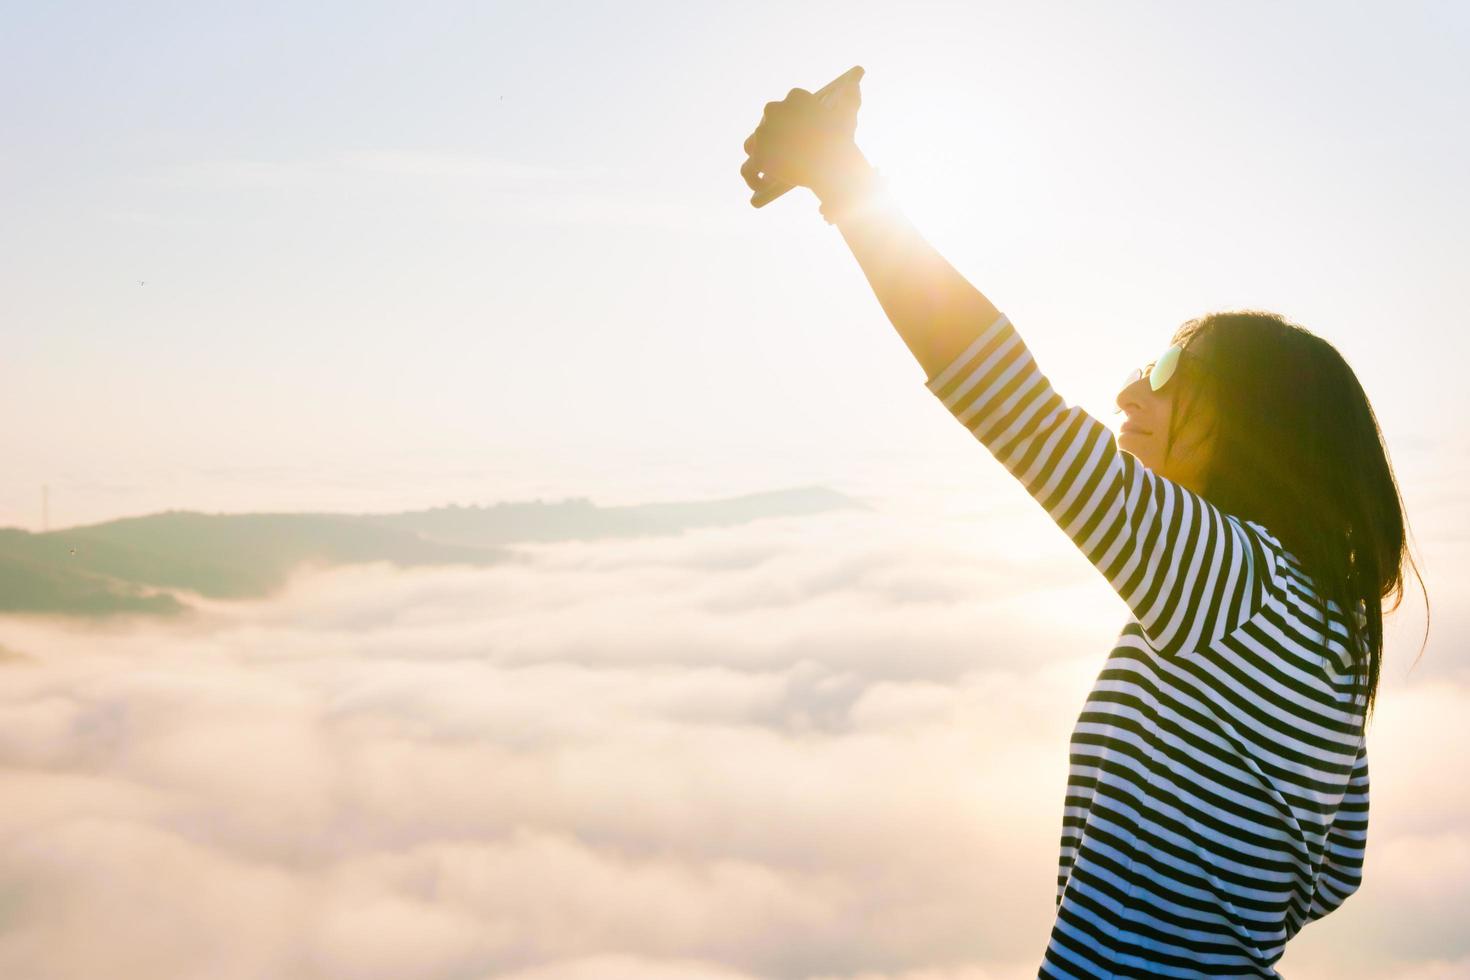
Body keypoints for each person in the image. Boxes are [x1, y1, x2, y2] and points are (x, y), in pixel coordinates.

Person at [740, 77, 1426, 979]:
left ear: (1255, 421)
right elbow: (1334, 870)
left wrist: (848, 183)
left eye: (1174, 366)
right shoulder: (1334, 629)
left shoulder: (1232, 582)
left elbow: (1005, 395)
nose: (1131, 390)